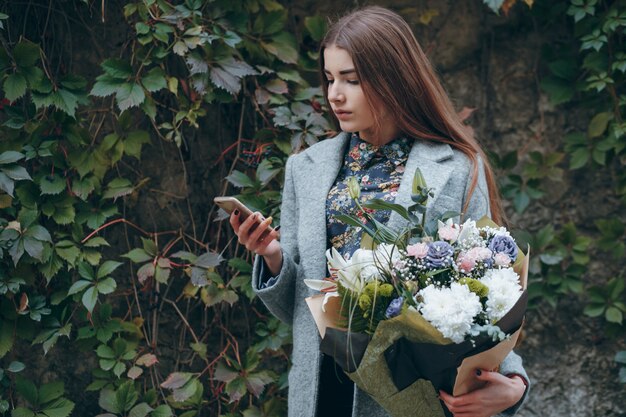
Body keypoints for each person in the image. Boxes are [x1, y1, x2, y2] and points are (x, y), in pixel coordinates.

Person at [229, 6, 530, 417]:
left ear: (394, 78)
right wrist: (272, 257)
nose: (335, 94)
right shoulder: (307, 169)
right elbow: (298, 310)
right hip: (322, 388)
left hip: (410, 395)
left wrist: (515, 384)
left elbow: (491, 290)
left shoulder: (457, 168)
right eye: (331, 78)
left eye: (352, 80)